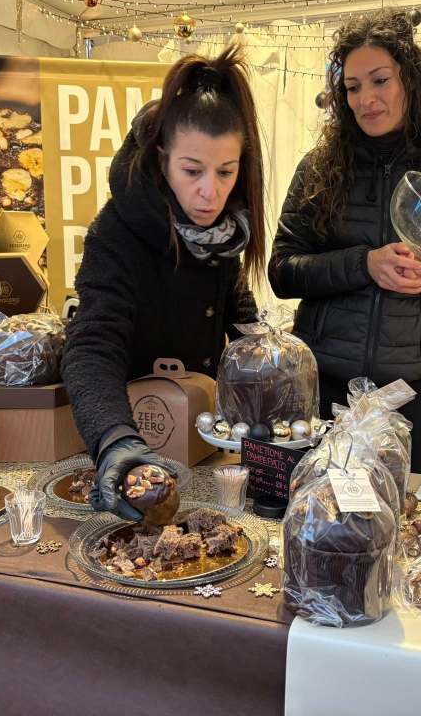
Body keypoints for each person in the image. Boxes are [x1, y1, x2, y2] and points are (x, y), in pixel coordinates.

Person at [268, 9, 421, 473]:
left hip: (412, 394)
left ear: (409, 81)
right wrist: (363, 264)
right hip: (323, 390)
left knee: (397, 529)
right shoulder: (319, 168)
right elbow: (282, 272)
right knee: (319, 523)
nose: (366, 99)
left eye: (379, 81)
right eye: (353, 87)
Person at [61, 46, 265, 520]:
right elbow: (92, 344)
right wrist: (116, 440)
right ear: (162, 158)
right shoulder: (117, 231)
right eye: (192, 171)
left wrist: (265, 357)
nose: (210, 192)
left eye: (226, 172)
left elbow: (236, 308)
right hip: (138, 434)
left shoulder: (224, 233)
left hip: (201, 440)